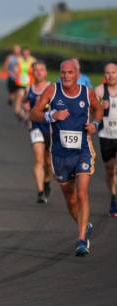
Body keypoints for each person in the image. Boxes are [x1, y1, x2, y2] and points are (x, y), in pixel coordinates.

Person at [30, 59, 103, 256]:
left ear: (77, 74)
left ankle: (81, 240)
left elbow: (99, 109)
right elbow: (33, 113)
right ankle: (84, 225)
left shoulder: (86, 93)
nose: (66, 76)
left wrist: (95, 124)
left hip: (82, 151)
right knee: (70, 200)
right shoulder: (52, 91)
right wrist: (51, 115)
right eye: (63, 72)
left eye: (70, 72)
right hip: (60, 154)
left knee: (81, 193)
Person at [23, 61, 52, 203]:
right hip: (36, 127)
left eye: (41, 70)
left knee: (48, 162)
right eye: (36, 70)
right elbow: (24, 101)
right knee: (39, 159)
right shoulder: (29, 89)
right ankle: (40, 191)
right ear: (32, 73)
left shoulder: (52, 88)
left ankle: (46, 181)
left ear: (46, 72)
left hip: (51, 128)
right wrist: (26, 106)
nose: (39, 72)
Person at [94, 62, 117, 217]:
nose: (111, 76)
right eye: (108, 73)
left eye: (113, 72)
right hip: (106, 135)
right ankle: (113, 198)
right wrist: (102, 105)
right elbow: (92, 110)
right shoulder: (100, 90)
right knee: (110, 170)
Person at [14, 47, 36, 124]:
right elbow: (15, 67)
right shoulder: (19, 60)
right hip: (21, 81)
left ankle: (27, 115)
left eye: (27, 54)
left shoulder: (33, 60)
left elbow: (36, 69)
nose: (25, 55)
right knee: (20, 95)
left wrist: (32, 71)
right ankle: (21, 113)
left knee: (27, 98)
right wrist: (16, 73)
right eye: (24, 53)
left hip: (29, 82)